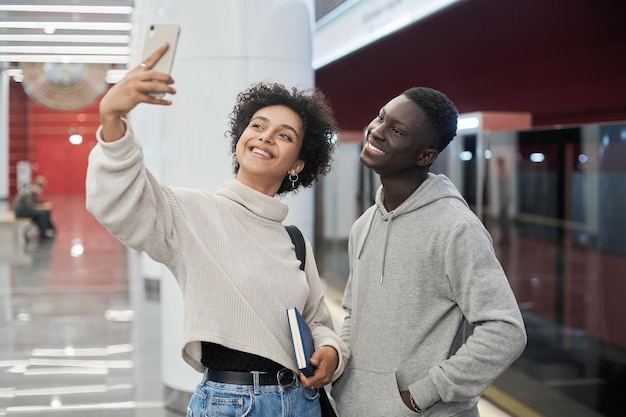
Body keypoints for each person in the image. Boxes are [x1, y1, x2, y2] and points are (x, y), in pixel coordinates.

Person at [85, 43, 348, 417]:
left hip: (302, 402)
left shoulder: (294, 240)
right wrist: (112, 120)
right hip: (233, 404)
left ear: (298, 165)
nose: (265, 136)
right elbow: (118, 202)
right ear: (241, 137)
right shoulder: (193, 212)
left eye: (284, 135)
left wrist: (330, 352)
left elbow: (318, 322)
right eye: (257, 125)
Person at [331, 87, 527, 416]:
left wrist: (425, 393)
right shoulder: (364, 225)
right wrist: (343, 379)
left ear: (425, 156)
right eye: (381, 117)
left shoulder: (456, 228)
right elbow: (354, 313)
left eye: (396, 130)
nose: (376, 131)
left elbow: (506, 331)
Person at [13, 175, 56, 239]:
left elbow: (33, 203)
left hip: (25, 209)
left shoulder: (31, 192)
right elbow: (30, 207)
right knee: (40, 214)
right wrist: (42, 207)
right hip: (20, 211)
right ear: (36, 185)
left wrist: (43, 204)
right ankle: (43, 233)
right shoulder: (28, 192)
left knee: (46, 212)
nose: (41, 190)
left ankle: (49, 229)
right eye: (40, 188)